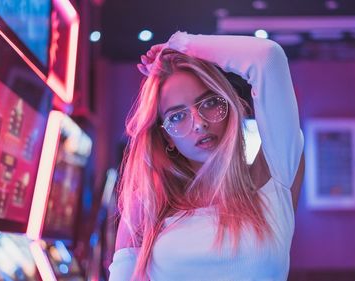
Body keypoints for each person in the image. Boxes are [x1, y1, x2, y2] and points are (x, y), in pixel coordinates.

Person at [108, 31, 305, 281]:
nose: (199, 123)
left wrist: (180, 44)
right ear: (167, 137)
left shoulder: (273, 180)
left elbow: (268, 58)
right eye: (178, 116)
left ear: (228, 105)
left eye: (209, 103)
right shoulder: (148, 204)